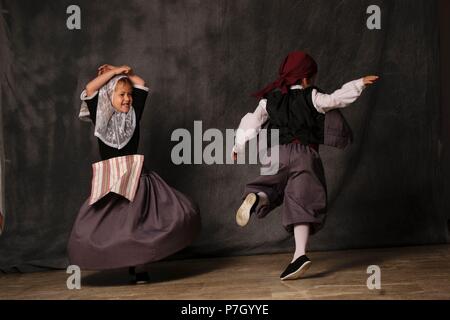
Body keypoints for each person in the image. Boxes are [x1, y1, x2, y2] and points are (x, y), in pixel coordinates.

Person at [232, 51, 378, 281]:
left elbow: (252, 121)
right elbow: (336, 99)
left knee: (272, 187)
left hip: (275, 154)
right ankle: (299, 255)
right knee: (302, 202)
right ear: (305, 79)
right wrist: (359, 84)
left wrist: (237, 146)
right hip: (304, 154)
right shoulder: (312, 96)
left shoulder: (269, 99)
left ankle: (257, 198)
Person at [68, 64, 201, 284]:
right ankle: (122, 259)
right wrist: (114, 72)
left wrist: (123, 74)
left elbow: (141, 83)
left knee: (139, 224)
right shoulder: (100, 116)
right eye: (121, 95)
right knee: (108, 224)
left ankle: (140, 268)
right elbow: (90, 88)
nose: (127, 99)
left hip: (136, 177)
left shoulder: (133, 113)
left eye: (129, 95)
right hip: (112, 179)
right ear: (109, 96)